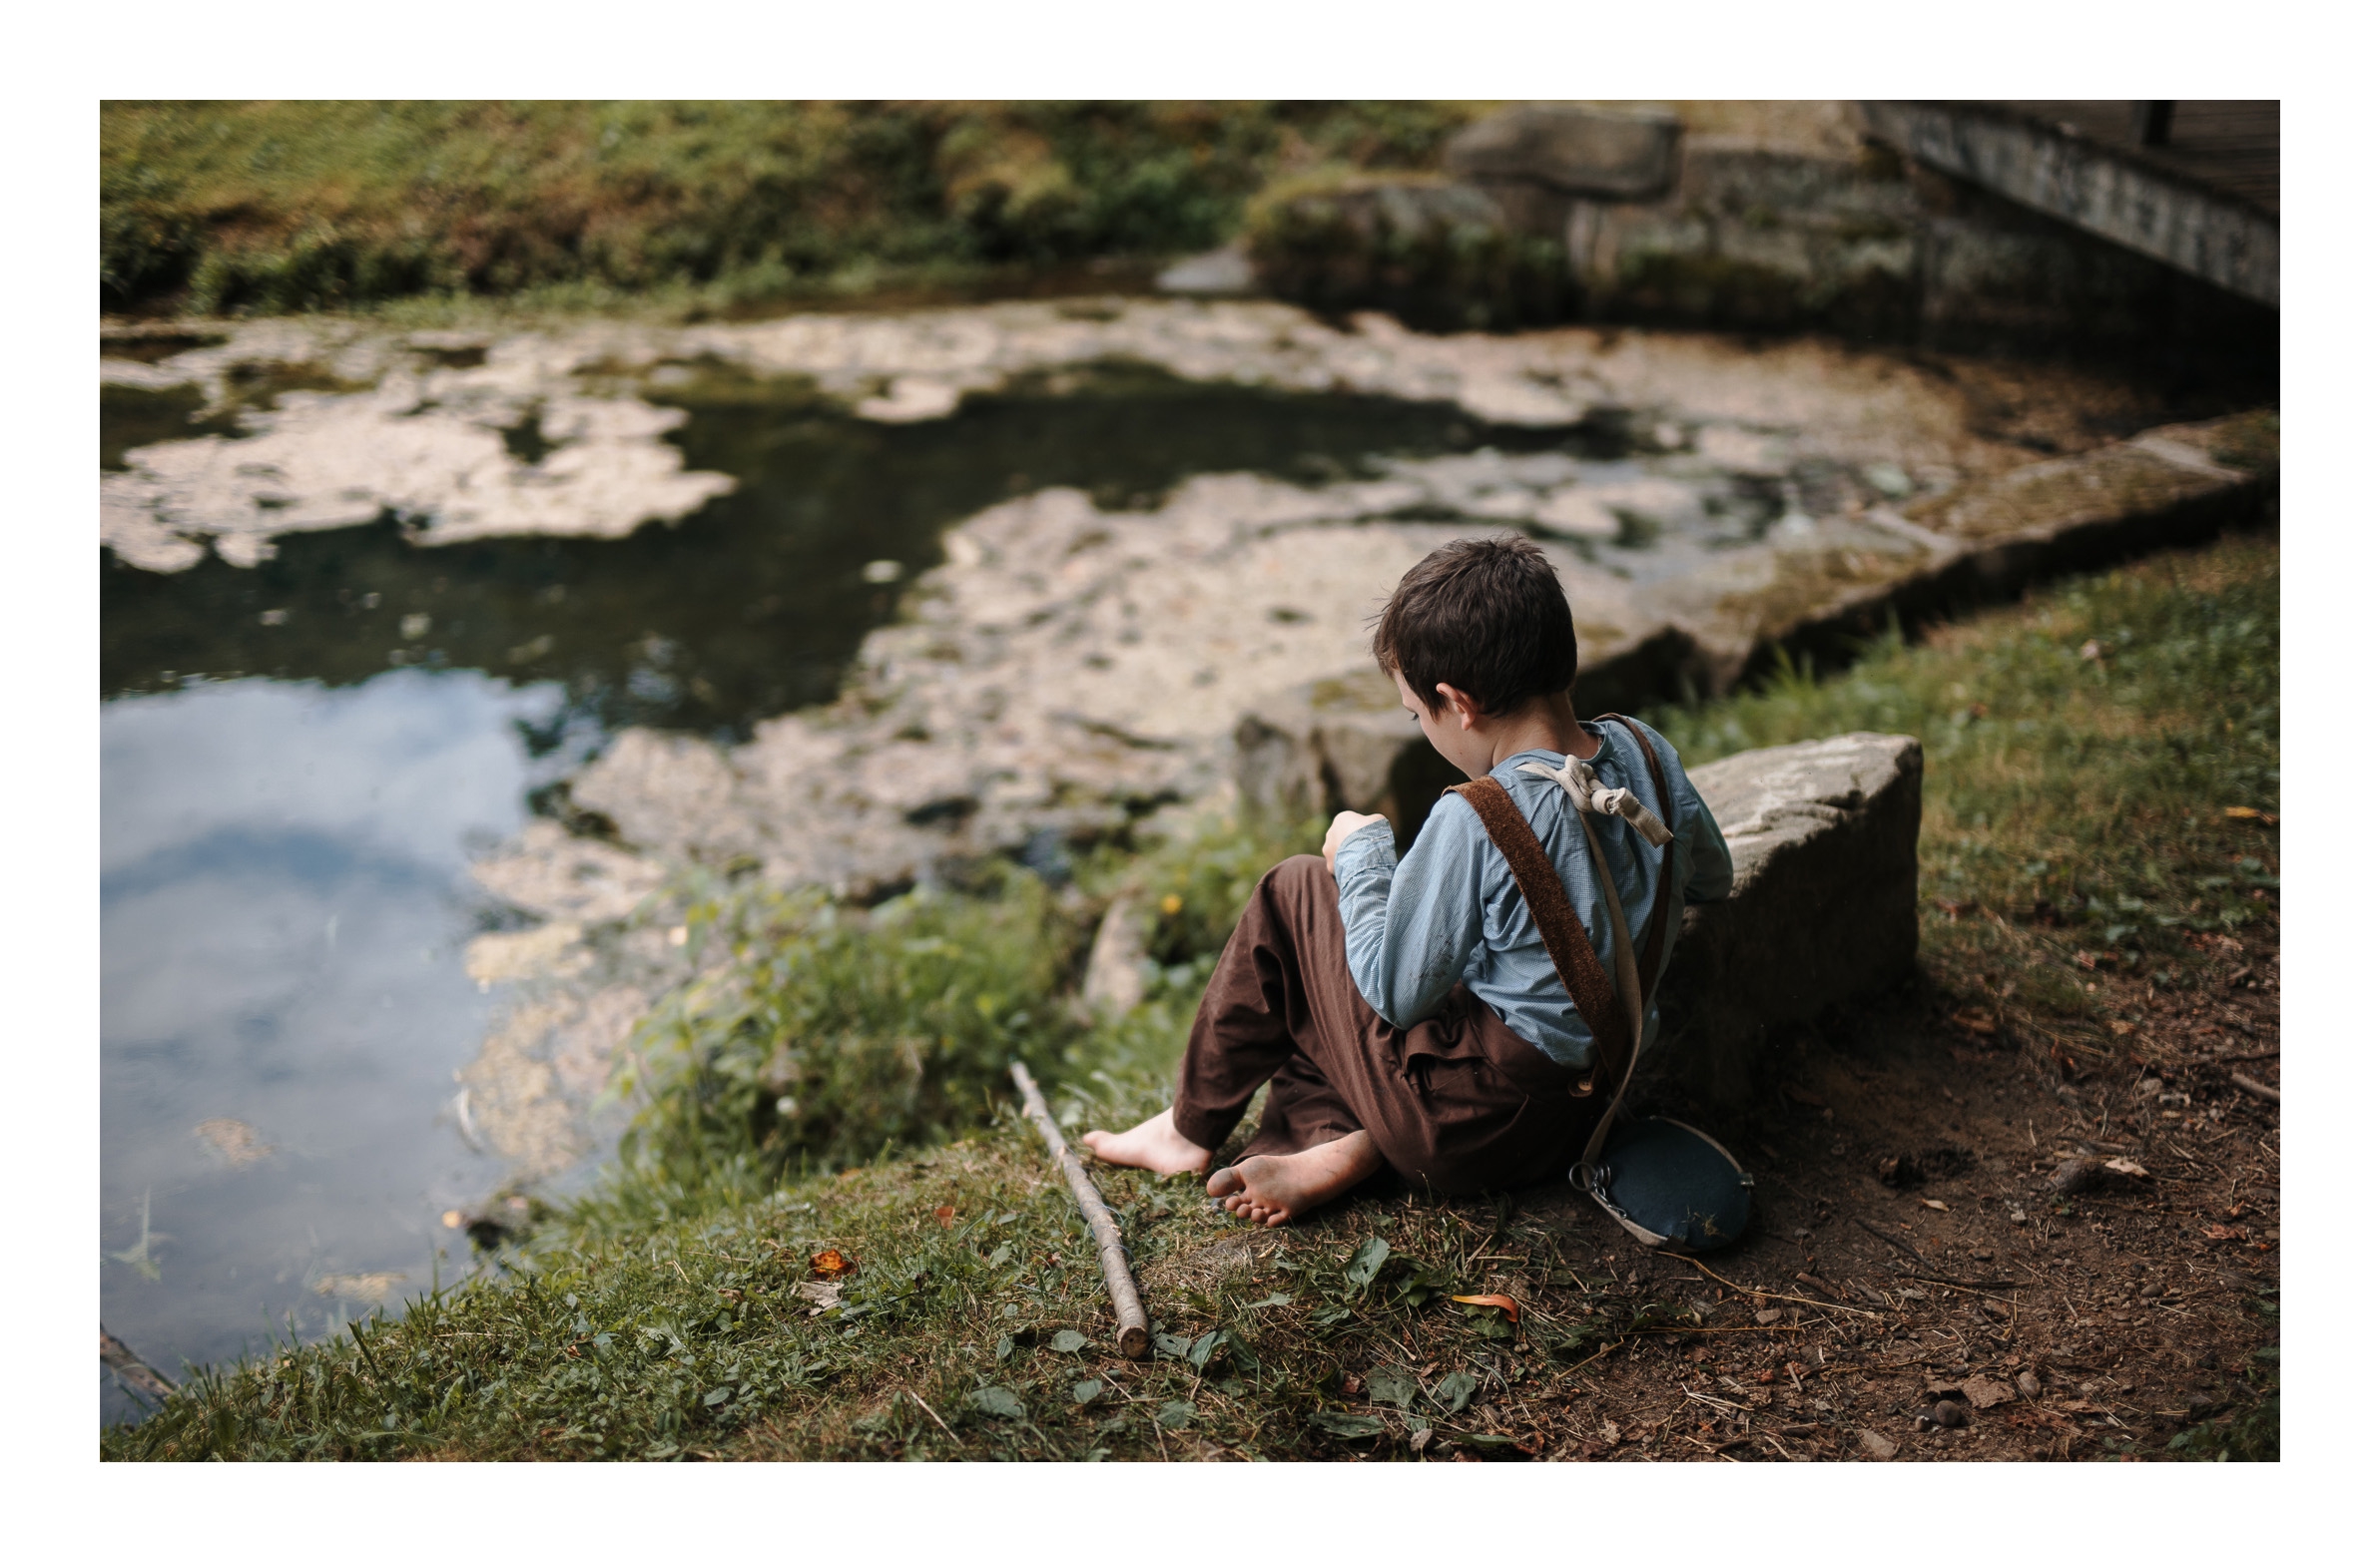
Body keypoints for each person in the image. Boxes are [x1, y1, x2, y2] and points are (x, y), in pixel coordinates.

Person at [1082, 535, 1735, 1225]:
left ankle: (1187, 1129)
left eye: (1415, 714)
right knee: (1381, 981)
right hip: (1591, 1106)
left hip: (1464, 1130)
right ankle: (1344, 1140)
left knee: (1294, 891)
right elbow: (1711, 879)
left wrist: (1361, 855)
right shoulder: (1647, 752)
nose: (1422, 726)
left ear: (1457, 702)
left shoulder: (1481, 815)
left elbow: (1392, 995)